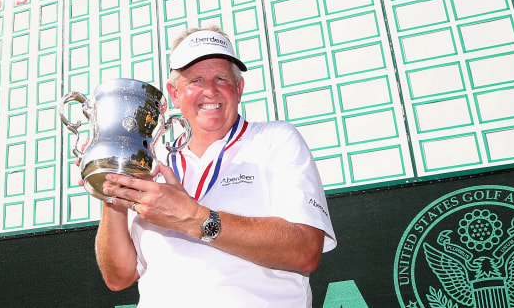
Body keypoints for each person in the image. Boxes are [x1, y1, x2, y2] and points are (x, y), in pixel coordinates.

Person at [95, 27, 336, 307]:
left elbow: (306, 250)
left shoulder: (276, 140)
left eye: (221, 78)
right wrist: (113, 193)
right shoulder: (149, 159)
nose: (210, 90)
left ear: (239, 89)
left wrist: (194, 217)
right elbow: (119, 278)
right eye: (196, 80)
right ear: (174, 94)